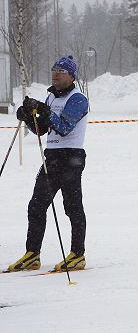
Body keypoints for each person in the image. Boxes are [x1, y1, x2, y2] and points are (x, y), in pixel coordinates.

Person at [5, 55, 89, 273]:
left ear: (71, 76)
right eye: (54, 69)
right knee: (36, 205)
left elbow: (64, 126)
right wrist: (28, 117)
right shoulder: (51, 97)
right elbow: (43, 130)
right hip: (51, 157)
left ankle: (77, 255)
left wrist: (44, 111)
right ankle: (33, 254)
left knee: (72, 207)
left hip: (71, 157)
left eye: (61, 71)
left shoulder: (78, 98)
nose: (55, 74)